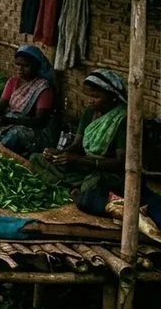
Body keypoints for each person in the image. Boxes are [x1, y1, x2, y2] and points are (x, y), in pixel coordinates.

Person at [30, 69, 129, 211]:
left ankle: (79, 191)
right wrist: (60, 155)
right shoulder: (89, 112)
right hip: (84, 166)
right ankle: (75, 189)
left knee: (93, 183)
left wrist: (77, 160)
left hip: (107, 172)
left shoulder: (122, 120)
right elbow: (77, 145)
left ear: (113, 96)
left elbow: (120, 163)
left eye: (96, 96)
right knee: (36, 159)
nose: (89, 100)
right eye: (88, 95)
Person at [0, 45, 59, 154]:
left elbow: (39, 121)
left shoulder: (43, 88)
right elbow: (2, 104)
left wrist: (8, 120)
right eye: (17, 65)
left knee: (15, 134)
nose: (20, 69)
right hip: (10, 120)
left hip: (30, 128)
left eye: (26, 66)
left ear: (36, 66)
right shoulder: (13, 81)